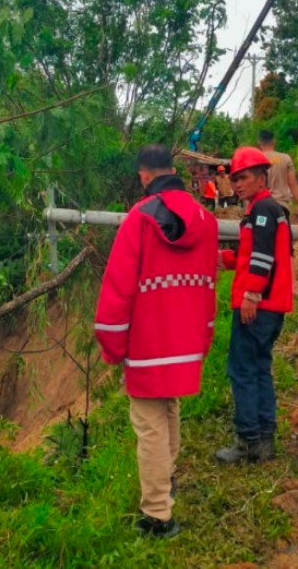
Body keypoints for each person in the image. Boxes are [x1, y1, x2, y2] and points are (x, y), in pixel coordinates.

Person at [95, 145, 218, 537]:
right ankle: (169, 478)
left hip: (149, 345)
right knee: (169, 409)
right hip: (187, 340)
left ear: (144, 175)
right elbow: (210, 286)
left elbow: (118, 289)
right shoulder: (206, 218)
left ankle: (157, 515)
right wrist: (205, 336)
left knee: (149, 424)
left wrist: (112, 347)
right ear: (172, 169)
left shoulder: (138, 219)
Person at [215, 147, 292, 464]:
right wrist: (224, 259)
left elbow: (261, 259)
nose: (237, 184)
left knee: (242, 370)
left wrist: (251, 295)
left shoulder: (262, 212)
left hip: (259, 305)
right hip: (272, 306)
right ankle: (264, 441)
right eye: (234, 179)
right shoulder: (271, 211)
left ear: (262, 177)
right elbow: (255, 256)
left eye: (243, 177)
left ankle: (248, 440)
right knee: (260, 368)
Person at [257, 129, 298, 223]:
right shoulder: (285, 158)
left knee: (262, 234)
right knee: (283, 235)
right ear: (274, 141)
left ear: (259, 142)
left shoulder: (256, 158)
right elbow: (293, 184)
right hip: (281, 208)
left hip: (261, 208)